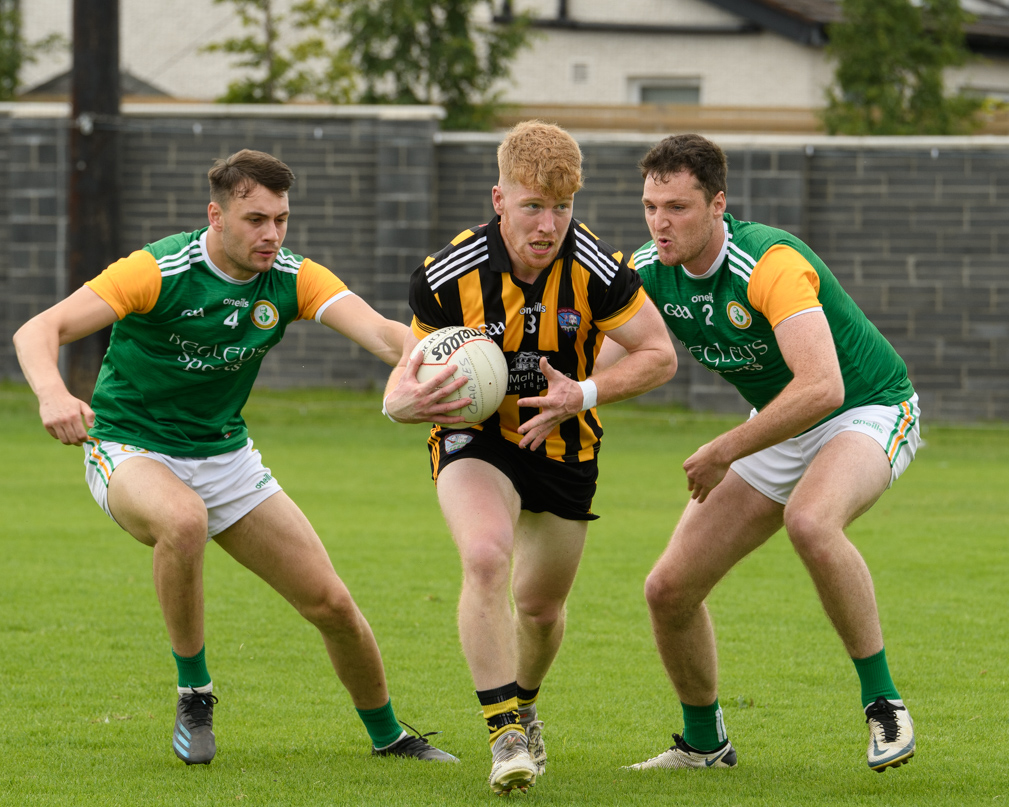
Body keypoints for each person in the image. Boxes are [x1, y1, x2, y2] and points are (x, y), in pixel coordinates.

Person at [12, 149, 465, 767]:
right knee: (182, 519)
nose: (272, 234)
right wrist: (52, 394)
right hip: (130, 446)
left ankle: (390, 737)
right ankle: (194, 694)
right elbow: (37, 329)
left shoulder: (292, 276)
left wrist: (442, 367)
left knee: (331, 604)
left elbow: (385, 333)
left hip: (225, 455)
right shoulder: (159, 269)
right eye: (256, 219)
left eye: (281, 219)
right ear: (216, 216)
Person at [382, 120, 677, 794]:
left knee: (540, 609)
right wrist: (403, 406)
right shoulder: (444, 275)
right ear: (498, 199)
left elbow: (659, 355)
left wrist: (585, 393)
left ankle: (526, 703)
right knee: (484, 556)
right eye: (532, 207)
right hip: (474, 436)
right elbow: (404, 382)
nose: (548, 225)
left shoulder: (600, 270)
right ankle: (503, 731)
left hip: (564, 441)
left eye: (562, 207)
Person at [619, 133, 919, 773]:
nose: (660, 222)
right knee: (669, 589)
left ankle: (884, 704)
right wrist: (554, 392)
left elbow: (822, 386)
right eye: (650, 206)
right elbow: (605, 361)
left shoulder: (770, 263)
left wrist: (724, 448)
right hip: (782, 422)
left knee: (811, 520)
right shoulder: (647, 270)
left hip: (867, 407)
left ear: (718, 204)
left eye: (677, 207)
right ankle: (704, 745)